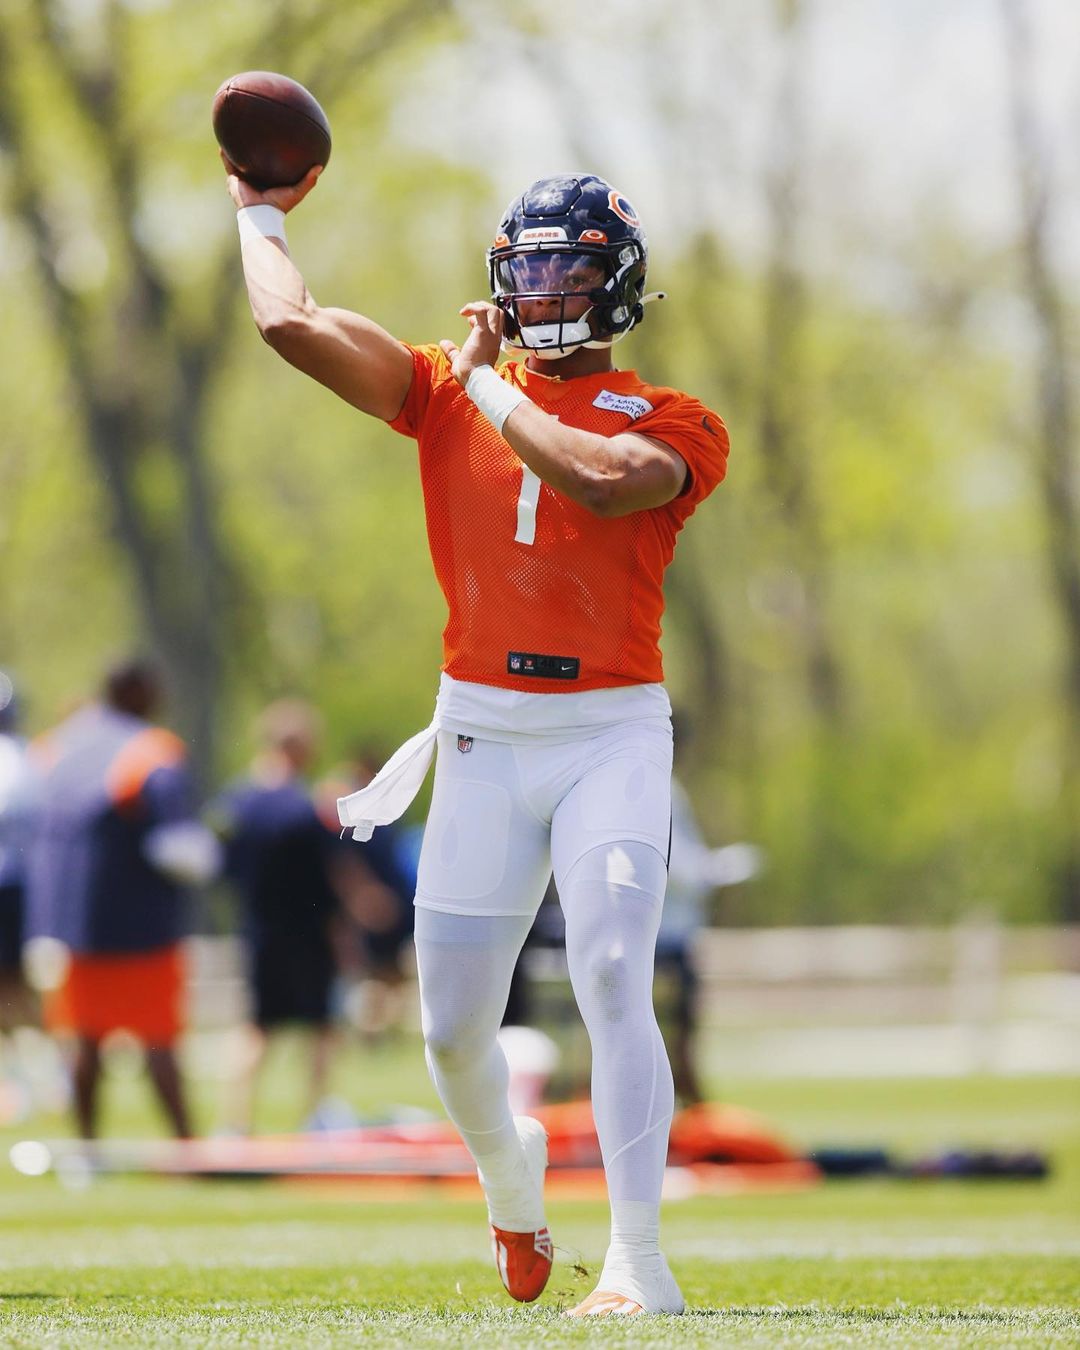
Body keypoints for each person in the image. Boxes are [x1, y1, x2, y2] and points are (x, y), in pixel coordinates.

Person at [225, 163, 728, 1316]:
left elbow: (604, 482)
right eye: (528, 267)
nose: (545, 288)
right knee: (453, 1035)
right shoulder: (445, 387)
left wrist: (490, 388)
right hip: (481, 733)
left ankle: (639, 1262)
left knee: (614, 969)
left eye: (569, 269)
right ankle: (513, 1183)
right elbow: (290, 323)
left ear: (619, 286)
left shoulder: (672, 419)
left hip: (608, 732)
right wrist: (257, 208)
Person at [24, 659, 219, 1140]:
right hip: (141, 926)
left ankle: (87, 1150)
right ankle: (186, 1147)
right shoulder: (151, 749)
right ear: (139, 693)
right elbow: (177, 847)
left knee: (84, 1042)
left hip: (69, 926)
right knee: (159, 1041)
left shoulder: (55, 745)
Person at [209, 699, 342, 1133]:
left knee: (256, 1029)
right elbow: (324, 879)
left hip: (257, 928)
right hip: (306, 933)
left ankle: (235, 1124)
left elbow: (220, 867)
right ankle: (316, 1117)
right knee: (321, 1028)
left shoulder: (235, 803)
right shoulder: (306, 807)